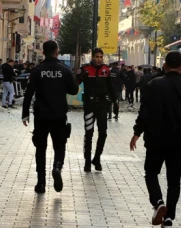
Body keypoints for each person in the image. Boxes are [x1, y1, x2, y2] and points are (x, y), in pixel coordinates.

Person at [130, 51, 181, 227]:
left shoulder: (153, 85)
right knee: (174, 180)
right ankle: (169, 216)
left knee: (151, 173)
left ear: (164, 66)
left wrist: (137, 133)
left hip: (155, 138)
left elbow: (144, 112)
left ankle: (158, 202)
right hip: (179, 140)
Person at [22, 40, 78, 193]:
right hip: (59, 115)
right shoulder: (64, 70)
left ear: (43, 52)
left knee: (40, 148)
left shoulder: (38, 70)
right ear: (56, 51)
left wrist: (25, 113)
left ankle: (40, 183)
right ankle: (57, 167)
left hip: (41, 115)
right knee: (59, 145)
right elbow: (74, 90)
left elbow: (29, 92)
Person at [76, 48, 117, 172]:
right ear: (92, 57)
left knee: (103, 133)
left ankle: (97, 158)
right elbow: (75, 83)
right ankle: (87, 162)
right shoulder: (85, 69)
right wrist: (79, 76)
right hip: (89, 105)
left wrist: (115, 101)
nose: (99, 59)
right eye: (97, 57)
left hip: (103, 105)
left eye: (101, 57)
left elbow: (110, 87)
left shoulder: (106, 69)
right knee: (89, 133)